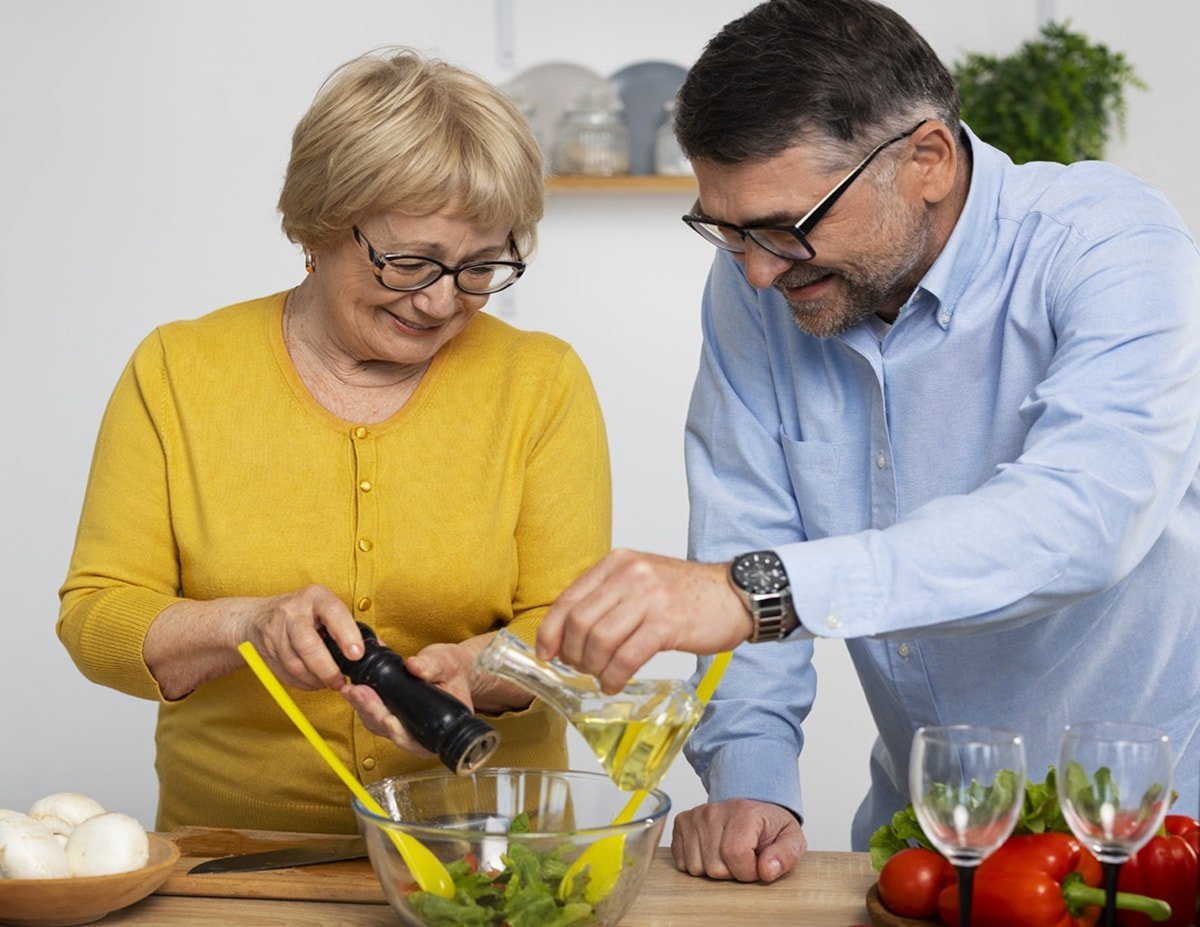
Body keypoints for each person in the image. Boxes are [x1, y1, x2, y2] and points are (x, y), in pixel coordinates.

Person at [536, 0, 1200, 883]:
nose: (760, 269)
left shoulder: (1108, 244)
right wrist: (752, 778)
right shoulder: (755, 283)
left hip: (1156, 839)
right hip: (925, 840)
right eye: (728, 230)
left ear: (925, 159)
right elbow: (744, 522)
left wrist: (756, 591)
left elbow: (1084, 517)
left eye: (785, 225)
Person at [57, 48, 611, 834]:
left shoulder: (541, 381)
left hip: (488, 855)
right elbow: (96, 617)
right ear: (317, 224)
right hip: (239, 856)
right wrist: (244, 625)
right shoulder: (178, 370)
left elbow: (569, 631)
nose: (444, 300)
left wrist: (475, 670)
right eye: (412, 261)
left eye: (481, 266)